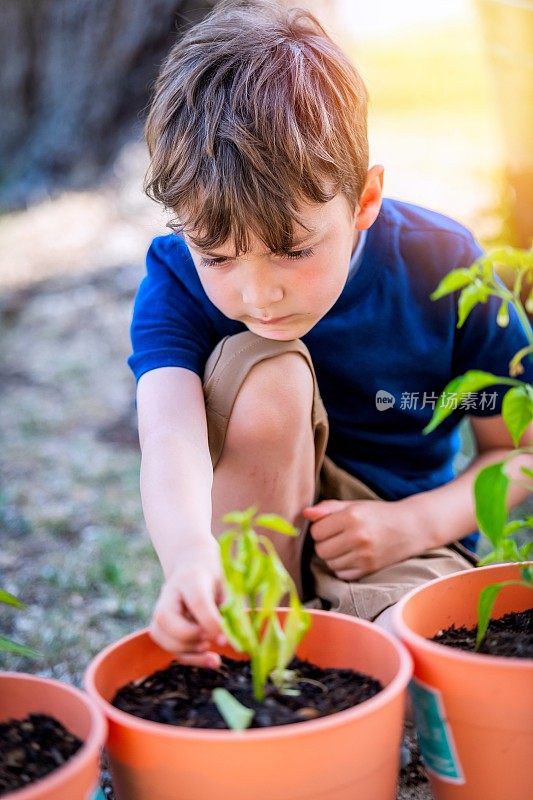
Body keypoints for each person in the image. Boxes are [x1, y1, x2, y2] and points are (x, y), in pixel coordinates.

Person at [128, 0, 533, 667]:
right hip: (249, 525)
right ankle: (244, 617)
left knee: (405, 670)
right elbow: (169, 438)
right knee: (270, 372)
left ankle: (329, 641)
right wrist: (188, 557)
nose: (258, 293)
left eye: (292, 250)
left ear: (365, 201)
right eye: (218, 256)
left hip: (395, 534)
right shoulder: (172, 277)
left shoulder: (443, 265)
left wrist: (414, 525)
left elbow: (516, 449)